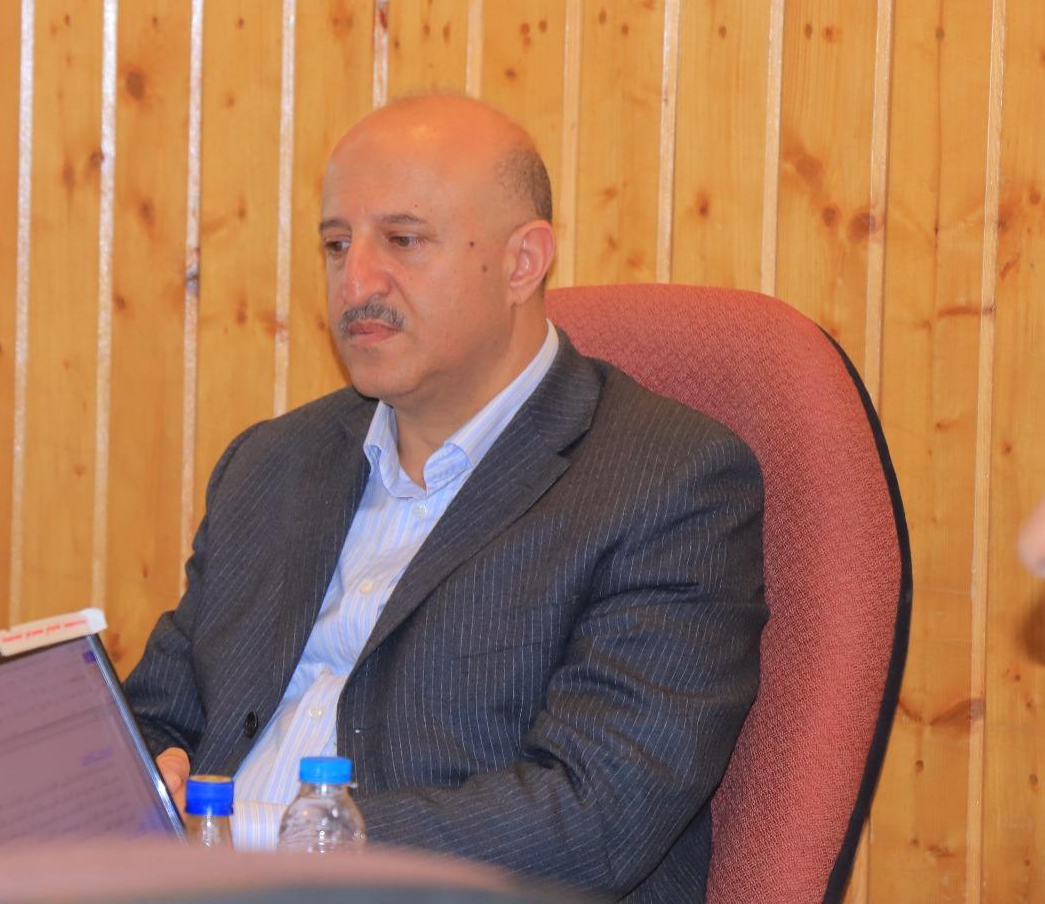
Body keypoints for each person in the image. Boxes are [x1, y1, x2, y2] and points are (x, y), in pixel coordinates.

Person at [122, 94, 766, 902]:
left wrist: (261, 836)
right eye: (336, 244)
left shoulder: (668, 483)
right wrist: (135, 779)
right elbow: (158, 718)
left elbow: (594, 816)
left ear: (523, 263)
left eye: (403, 240)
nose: (357, 281)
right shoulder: (271, 465)